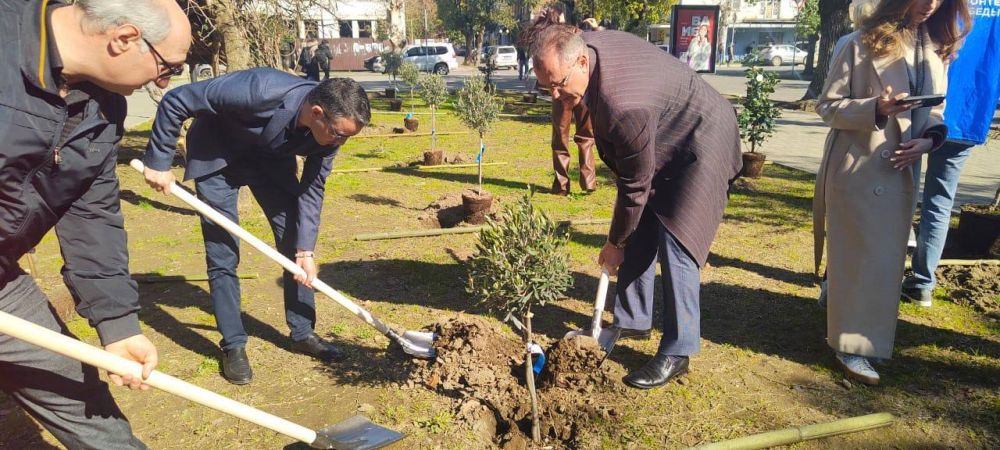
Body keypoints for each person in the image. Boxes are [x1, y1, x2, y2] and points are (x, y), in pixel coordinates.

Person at [0, 0, 191, 447]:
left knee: (84, 403)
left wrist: (118, 322)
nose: (163, 84)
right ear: (123, 39)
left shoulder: (102, 106)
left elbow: (92, 208)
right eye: (167, 68)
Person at [530, 23, 742, 389]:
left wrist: (614, 244)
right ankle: (632, 319)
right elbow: (636, 188)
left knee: (678, 241)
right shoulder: (585, 52)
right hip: (664, 132)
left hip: (703, 140)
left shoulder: (622, 103)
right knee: (639, 228)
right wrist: (623, 237)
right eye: (546, 85)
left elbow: (634, 187)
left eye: (558, 84)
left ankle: (678, 351)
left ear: (581, 62)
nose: (554, 95)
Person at [141, 69, 370, 385]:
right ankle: (233, 345)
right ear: (317, 113)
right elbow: (177, 99)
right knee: (222, 252)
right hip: (217, 156)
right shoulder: (257, 90)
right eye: (338, 134)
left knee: (294, 242)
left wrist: (306, 250)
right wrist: (159, 161)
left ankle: (302, 332)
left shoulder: (329, 133)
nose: (340, 142)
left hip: (270, 161)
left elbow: (313, 187)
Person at [813, 0, 969, 385]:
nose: (931, 4)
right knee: (864, 255)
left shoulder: (936, 48)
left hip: (900, 168)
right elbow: (828, 106)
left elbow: (937, 110)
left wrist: (931, 141)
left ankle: (845, 305)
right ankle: (853, 346)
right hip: (858, 165)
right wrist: (876, 108)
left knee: (880, 258)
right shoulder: (857, 43)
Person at [903, 0, 1000, 307]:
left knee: (898, 192)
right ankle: (922, 283)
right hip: (970, 110)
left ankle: (878, 271)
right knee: (940, 202)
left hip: (922, 106)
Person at [525, 8, 598, 196]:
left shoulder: (550, 39)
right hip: (578, 90)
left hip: (565, 91)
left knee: (561, 138)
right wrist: (596, 30)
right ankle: (587, 181)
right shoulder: (577, 33)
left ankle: (562, 185)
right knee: (585, 136)